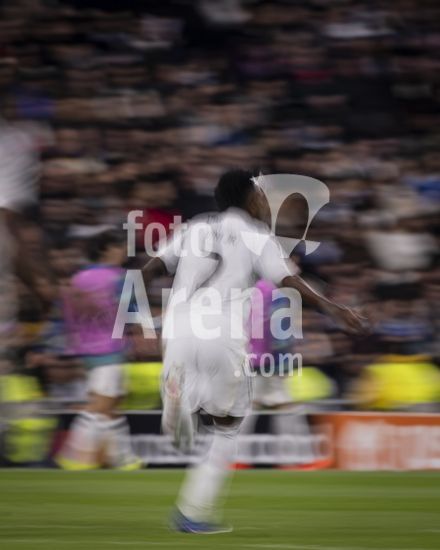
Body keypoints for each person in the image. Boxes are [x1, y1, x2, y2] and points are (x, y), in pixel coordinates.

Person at [143, 169, 365, 533]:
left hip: (177, 329)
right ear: (249, 199)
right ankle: (192, 513)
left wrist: (133, 303)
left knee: (197, 412)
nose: (265, 202)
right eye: (261, 196)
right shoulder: (259, 236)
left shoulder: (194, 227)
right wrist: (334, 308)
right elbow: (289, 280)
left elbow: (152, 266)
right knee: (227, 429)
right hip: (222, 332)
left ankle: (180, 397)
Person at [55, 231, 141, 470]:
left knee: (111, 406)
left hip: (86, 350)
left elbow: (68, 317)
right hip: (111, 349)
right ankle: (73, 457)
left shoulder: (77, 279)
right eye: (121, 247)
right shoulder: (122, 278)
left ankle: (123, 459)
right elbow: (134, 315)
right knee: (100, 407)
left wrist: (75, 344)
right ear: (107, 249)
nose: (125, 252)